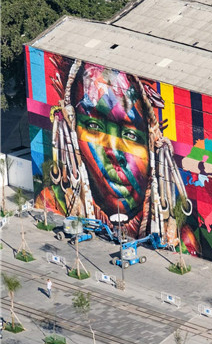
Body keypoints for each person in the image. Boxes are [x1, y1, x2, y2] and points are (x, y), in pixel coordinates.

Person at [36, 55, 193, 248]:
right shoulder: (53, 203)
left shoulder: (181, 239)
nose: (114, 153)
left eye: (131, 135)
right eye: (93, 126)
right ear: (71, 129)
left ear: (152, 144)